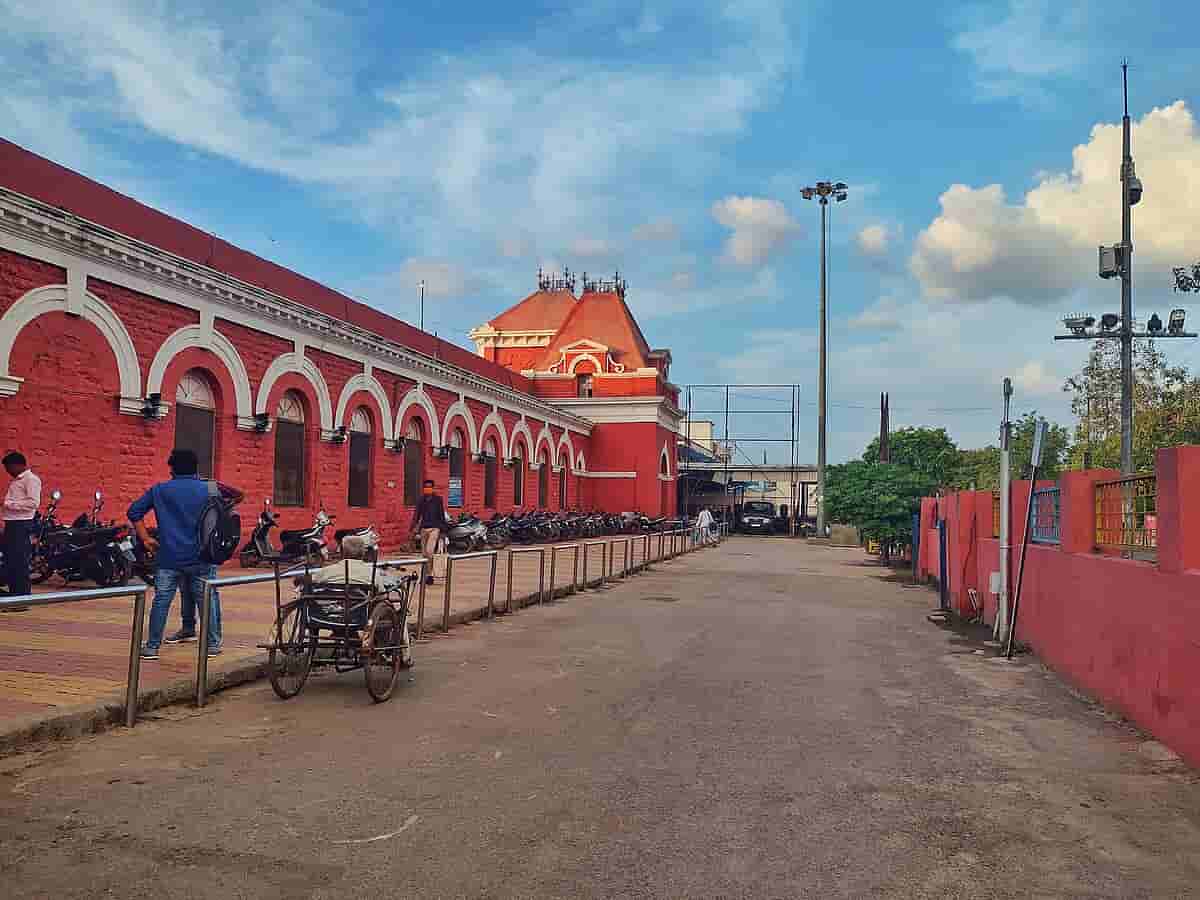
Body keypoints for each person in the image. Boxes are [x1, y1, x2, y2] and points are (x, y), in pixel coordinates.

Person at [128, 449, 243, 660]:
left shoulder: (160, 490)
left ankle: (152, 647)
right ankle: (212, 644)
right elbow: (238, 495)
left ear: (171, 468)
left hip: (168, 557)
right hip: (203, 556)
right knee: (208, 599)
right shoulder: (209, 488)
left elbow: (134, 512)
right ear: (196, 468)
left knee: (161, 600)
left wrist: (146, 538)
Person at [1, 451, 41, 606]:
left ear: (18, 465)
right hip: (12, 524)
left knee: (19, 562)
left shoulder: (31, 480)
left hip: (21, 524)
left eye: (8, 468)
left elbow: (33, 503)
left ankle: (22, 598)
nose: (8, 471)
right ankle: (14, 595)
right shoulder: (17, 480)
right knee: (11, 561)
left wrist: (7, 504)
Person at [410, 479, 445, 585]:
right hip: (424, 529)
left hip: (435, 528)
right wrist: (412, 528)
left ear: (433, 488)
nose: (428, 489)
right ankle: (427, 575)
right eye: (426, 487)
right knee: (424, 554)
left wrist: (443, 531)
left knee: (430, 551)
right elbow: (417, 514)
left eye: (430, 487)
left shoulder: (438, 500)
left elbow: (441, 514)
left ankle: (429, 574)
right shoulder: (421, 500)